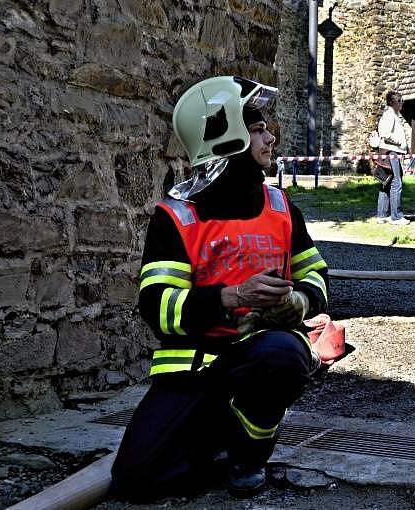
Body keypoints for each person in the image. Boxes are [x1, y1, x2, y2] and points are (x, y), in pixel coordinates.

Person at [109, 76, 329, 501]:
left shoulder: (283, 209)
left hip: (262, 355)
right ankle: (213, 436)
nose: (270, 134)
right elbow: (157, 307)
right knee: (135, 482)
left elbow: (317, 278)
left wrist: (297, 302)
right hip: (194, 367)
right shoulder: (176, 217)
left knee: (282, 354)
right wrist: (233, 297)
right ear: (224, 135)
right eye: (258, 127)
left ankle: (249, 454)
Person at [376, 90, 410, 225]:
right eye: (399, 101)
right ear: (392, 102)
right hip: (392, 152)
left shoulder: (392, 114)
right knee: (396, 183)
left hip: (389, 152)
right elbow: (384, 133)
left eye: (402, 101)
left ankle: (382, 215)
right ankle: (396, 217)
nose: (401, 103)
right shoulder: (390, 114)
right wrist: (400, 142)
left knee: (387, 182)